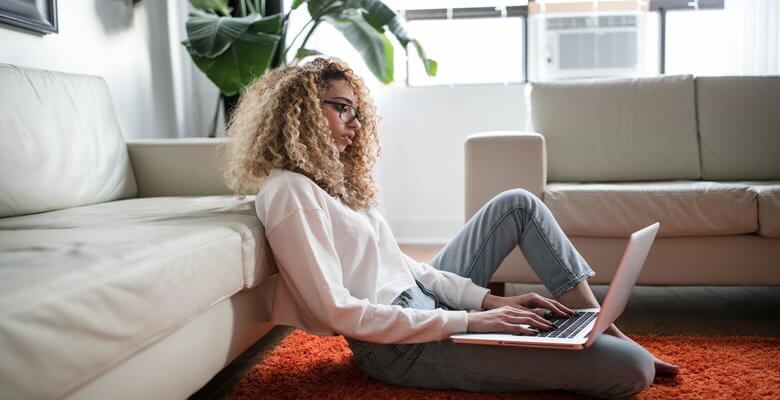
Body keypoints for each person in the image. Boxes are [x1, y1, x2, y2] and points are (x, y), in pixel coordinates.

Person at [221, 57, 678, 399]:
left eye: (357, 112)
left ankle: (601, 327)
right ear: (299, 111)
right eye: (341, 108)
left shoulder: (334, 185)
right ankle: (608, 344)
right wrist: (470, 322)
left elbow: (407, 268)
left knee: (517, 204)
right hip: (398, 347)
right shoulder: (288, 192)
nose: (354, 125)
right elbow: (339, 312)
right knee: (633, 370)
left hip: (425, 305)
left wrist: (488, 301)